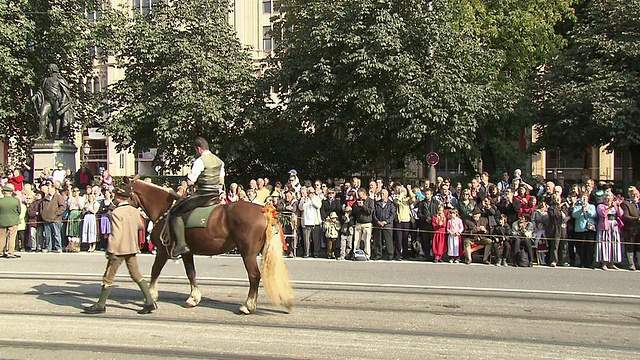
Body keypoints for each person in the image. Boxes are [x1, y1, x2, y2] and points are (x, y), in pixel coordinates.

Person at [83, 188, 156, 314]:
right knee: (136, 275)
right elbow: (140, 226)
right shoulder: (135, 211)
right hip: (132, 247)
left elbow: (116, 234)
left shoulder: (116, 213)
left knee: (108, 277)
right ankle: (149, 301)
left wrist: (110, 250)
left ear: (118, 198)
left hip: (119, 250)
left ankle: (100, 304)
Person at [169, 137, 225, 259]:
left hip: (203, 196)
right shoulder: (219, 161)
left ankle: (181, 244)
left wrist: (189, 178)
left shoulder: (200, 161)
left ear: (198, 149)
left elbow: (190, 181)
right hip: (215, 195)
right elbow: (221, 181)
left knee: (175, 212)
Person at [32, 63, 74, 140]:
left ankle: (57, 134)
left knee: (57, 116)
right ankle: (41, 135)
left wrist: (62, 103)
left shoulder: (60, 79)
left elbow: (65, 92)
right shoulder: (45, 80)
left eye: (49, 69)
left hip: (56, 100)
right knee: (42, 115)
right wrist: (36, 96)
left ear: (53, 70)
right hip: (47, 101)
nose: (48, 70)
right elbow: (41, 90)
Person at [596, 191, 624, 270]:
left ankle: (612, 262)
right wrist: (610, 207)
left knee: (614, 243)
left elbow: (620, 214)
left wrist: (618, 206)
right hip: (605, 226)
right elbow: (603, 214)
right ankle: (604, 263)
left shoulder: (615, 206)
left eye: (609, 197)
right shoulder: (600, 206)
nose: (608, 199)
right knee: (605, 243)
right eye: (606, 198)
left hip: (614, 226)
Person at [351, 187, 374, 260]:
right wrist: (357, 206)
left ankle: (367, 255)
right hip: (358, 223)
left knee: (366, 240)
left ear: (364, 194)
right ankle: (355, 253)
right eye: (358, 195)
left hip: (367, 223)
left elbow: (370, 212)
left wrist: (363, 206)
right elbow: (354, 211)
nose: (359, 196)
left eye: (360, 195)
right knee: (356, 240)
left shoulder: (370, 201)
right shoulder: (357, 201)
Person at [372, 189, 396, 260]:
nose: (381, 195)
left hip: (387, 225)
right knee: (377, 240)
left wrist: (386, 221)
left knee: (388, 241)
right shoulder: (377, 203)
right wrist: (377, 221)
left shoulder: (391, 204)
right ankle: (378, 254)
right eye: (381, 194)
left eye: (383, 194)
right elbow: (374, 214)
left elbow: (393, 215)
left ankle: (390, 255)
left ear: (387, 195)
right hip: (378, 224)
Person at [621, 187, 640, 271]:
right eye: (632, 193)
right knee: (630, 246)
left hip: (639, 229)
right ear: (629, 194)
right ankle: (631, 263)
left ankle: (639, 263)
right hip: (630, 229)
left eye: (636, 193)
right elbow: (625, 216)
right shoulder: (626, 203)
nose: (635, 195)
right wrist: (637, 219)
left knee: (639, 246)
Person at [0, 184, 21, 258]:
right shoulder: (15, 201)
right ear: (11, 192)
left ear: (4, 192)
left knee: (1, 237)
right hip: (13, 220)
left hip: (2, 221)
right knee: (12, 237)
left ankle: (1, 252)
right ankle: (10, 252)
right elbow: (19, 211)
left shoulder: (1, 201)